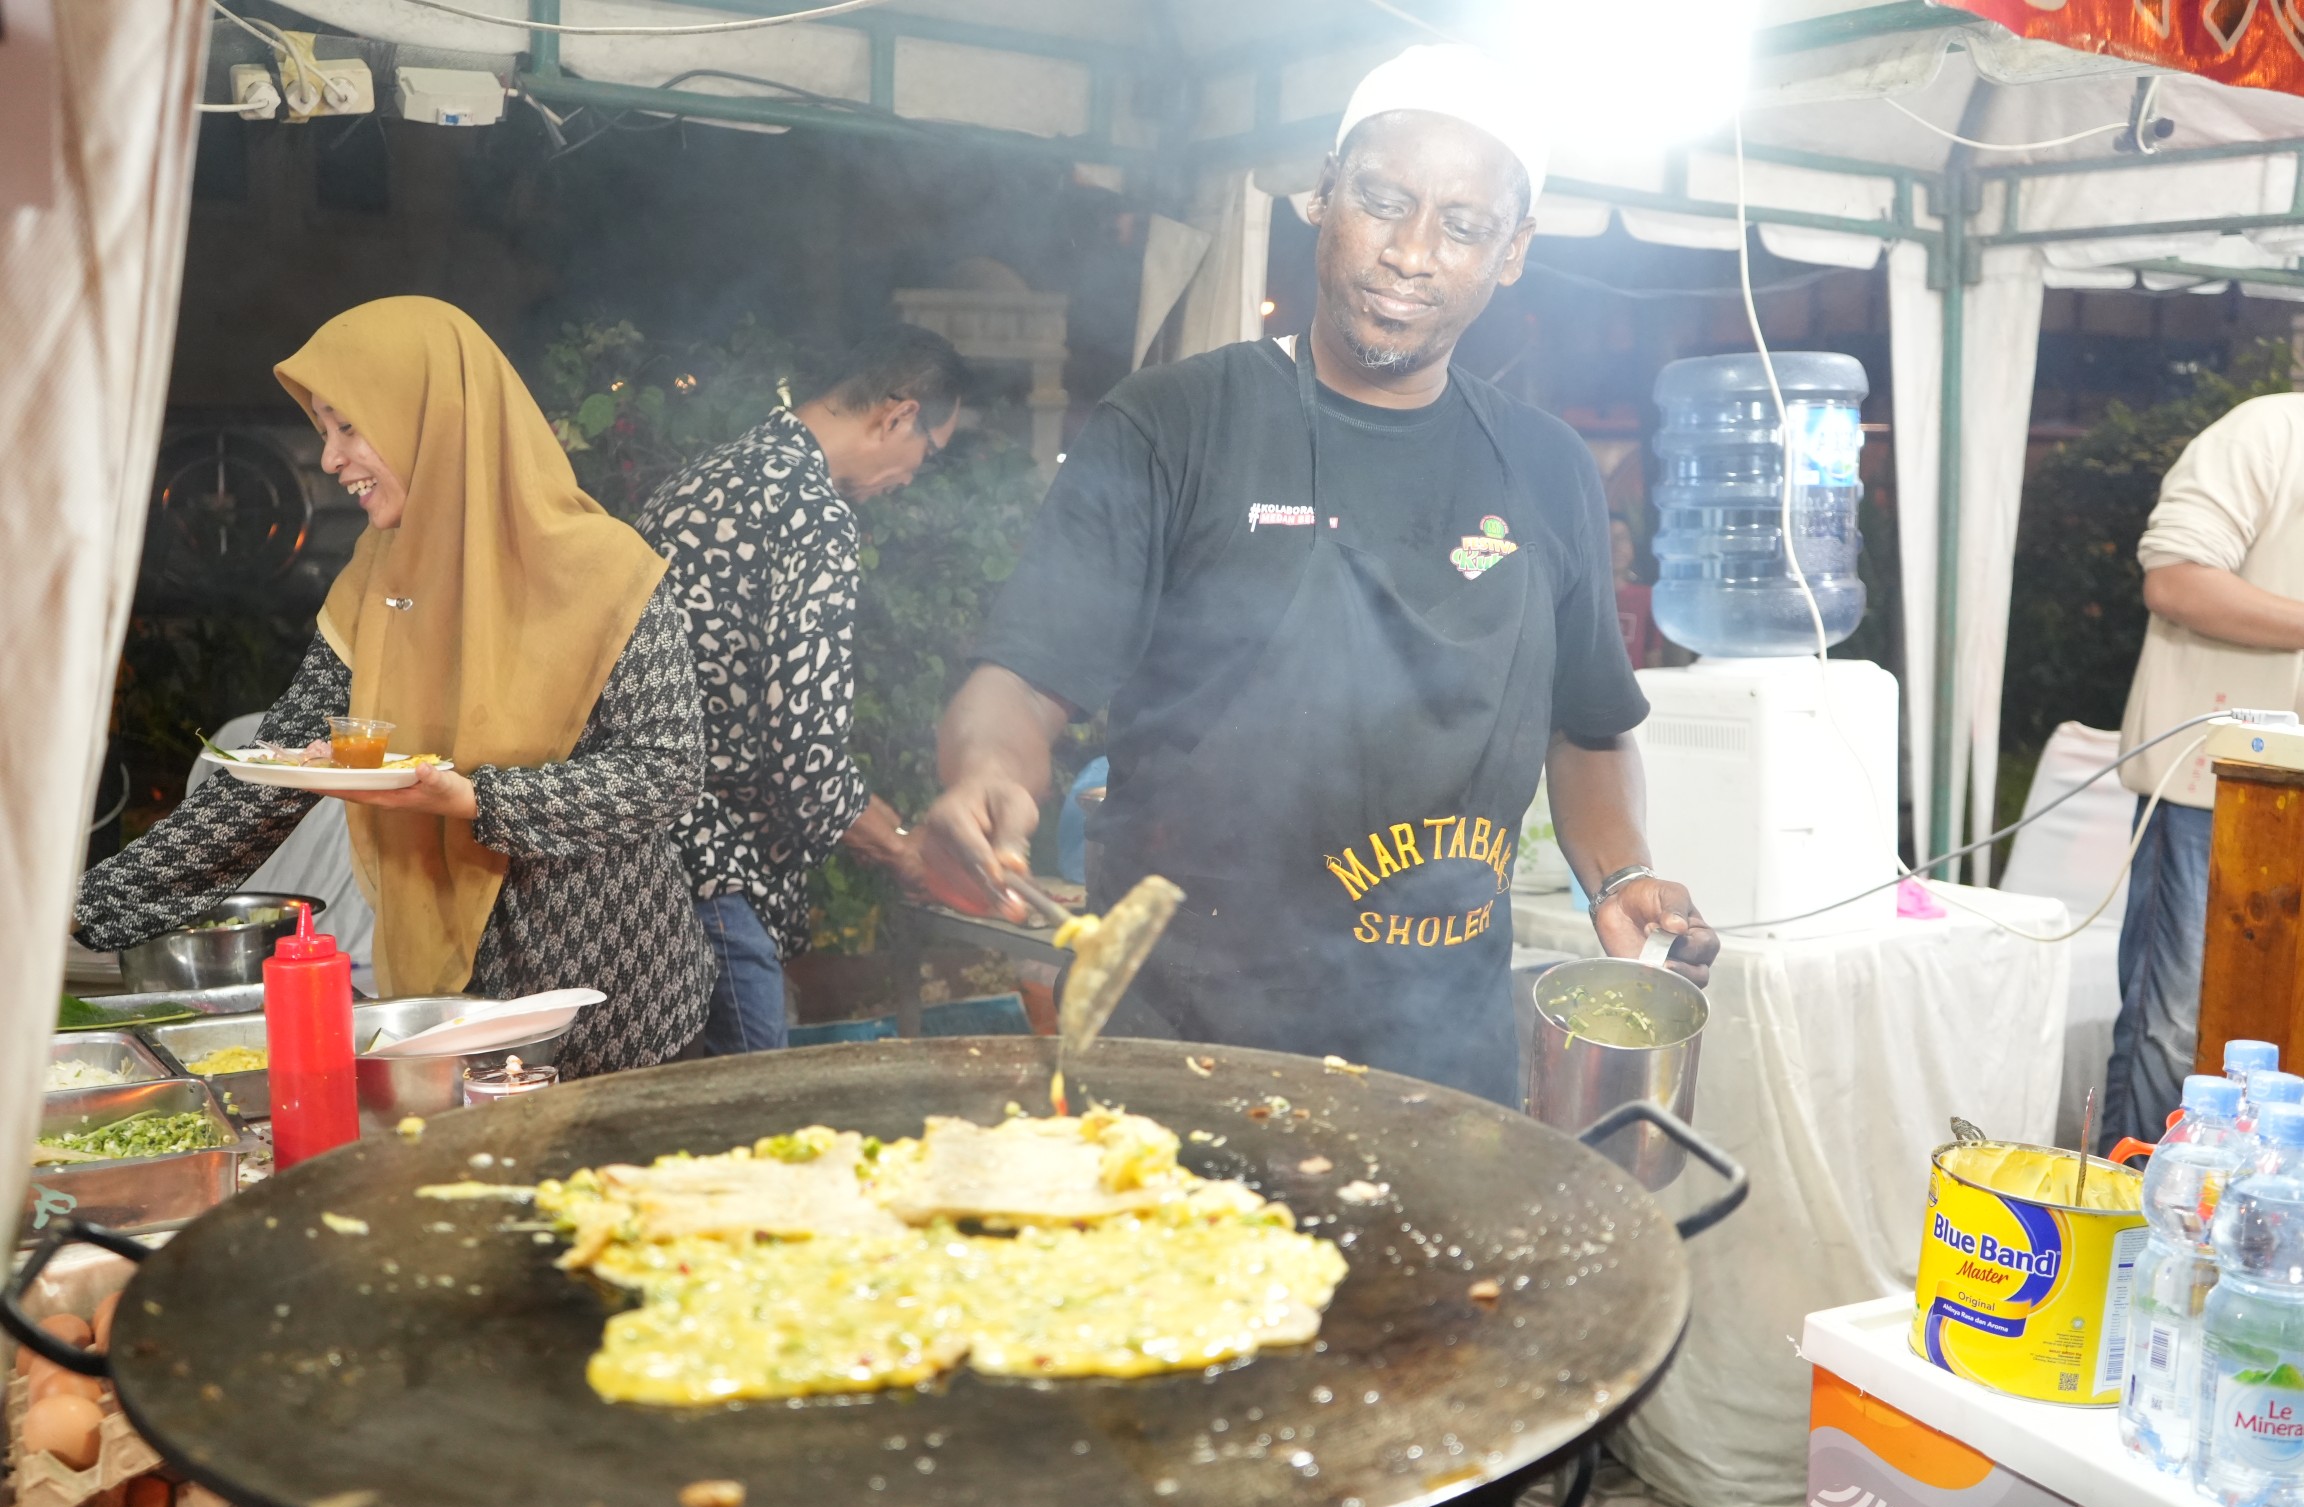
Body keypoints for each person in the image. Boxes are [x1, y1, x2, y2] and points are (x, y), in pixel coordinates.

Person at [916, 45, 1718, 1105]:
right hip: (1186, 1041)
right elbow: (1023, 676)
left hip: (1444, 1055)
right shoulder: (1177, 423)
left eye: (1463, 226)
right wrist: (986, 777)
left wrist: (1617, 874)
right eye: (1383, 202)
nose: (1412, 253)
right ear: (1321, 196)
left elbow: (1588, 727)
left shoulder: (1545, 464)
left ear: (1513, 251)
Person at [75, 298, 713, 1077]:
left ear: (431, 418)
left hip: (618, 1003)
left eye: (349, 427)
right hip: (451, 1008)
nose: (333, 459)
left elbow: (665, 768)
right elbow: (273, 778)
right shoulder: (376, 582)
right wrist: (77, 912)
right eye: (323, 432)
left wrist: (476, 800)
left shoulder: (605, 569)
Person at [631, 326, 968, 1054]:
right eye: (929, 456)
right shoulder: (811, 513)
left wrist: (893, 827)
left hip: (635, 871)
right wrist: (912, 856)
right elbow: (806, 761)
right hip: (712, 872)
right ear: (897, 416)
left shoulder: (704, 480)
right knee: (749, 1140)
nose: (913, 476)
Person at [2102, 391, 2304, 1148]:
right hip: (2212, 796)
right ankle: (2129, 1233)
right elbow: (2178, 580)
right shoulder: (2269, 432)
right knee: (2176, 1030)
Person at [1610, 515, 1660, 670]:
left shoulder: (1648, 597)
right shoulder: (1581, 600)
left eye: (1622, 538)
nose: (1615, 546)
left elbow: (1654, 655)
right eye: (1607, 538)